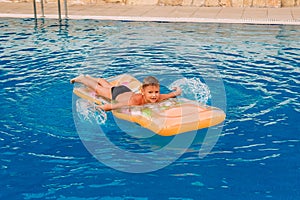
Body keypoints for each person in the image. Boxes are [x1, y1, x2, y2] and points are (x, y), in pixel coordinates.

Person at [70, 75, 182, 111]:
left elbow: (175, 93)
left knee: (109, 86)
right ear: (143, 92)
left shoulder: (159, 97)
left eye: (156, 92)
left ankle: (99, 79)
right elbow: (114, 106)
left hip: (125, 90)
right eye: (150, 92)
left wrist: (176, 89)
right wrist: (96, 108)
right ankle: (82, 78)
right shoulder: (134, 101)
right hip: (116, 94)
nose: (154, 95)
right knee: (98, 90)